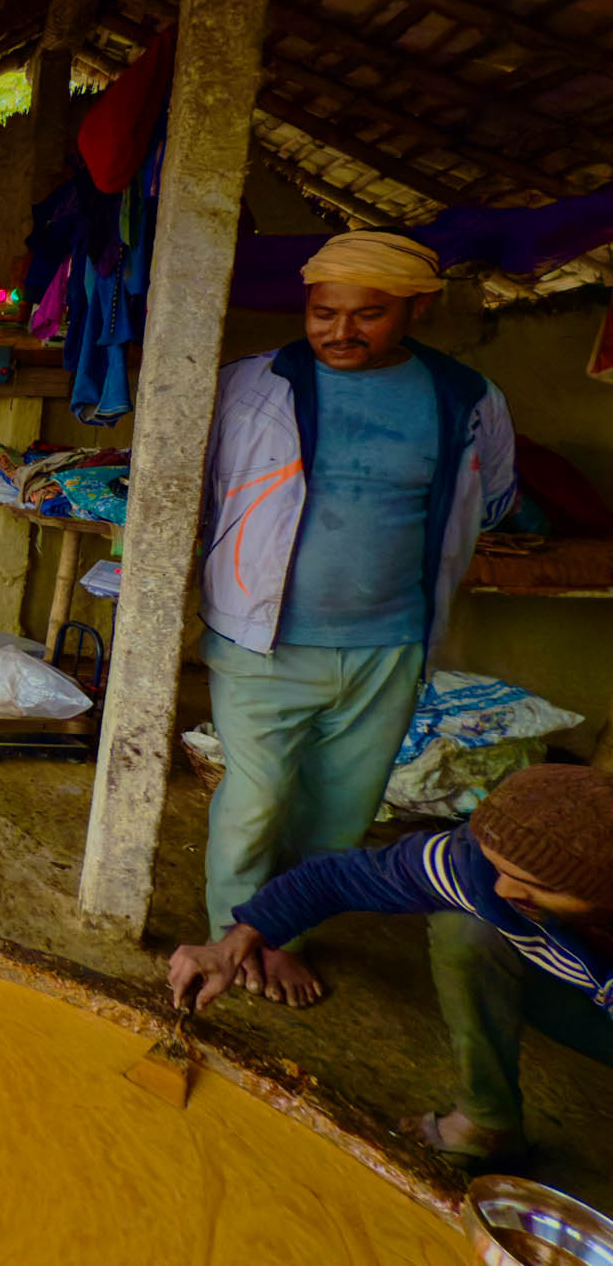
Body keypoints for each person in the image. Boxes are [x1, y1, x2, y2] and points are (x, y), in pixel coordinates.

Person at [197, 231, 516, 1005]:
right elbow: (193, 483)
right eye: (322, 312)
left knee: (339, 814)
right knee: (256, 799)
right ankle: (229, 939)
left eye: (369, 314)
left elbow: (495, 499)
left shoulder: (465, 396)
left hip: (390, 644)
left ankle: (283, 941)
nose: (340, 332)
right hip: (261, 638)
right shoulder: (251, 384)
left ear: (418, 308)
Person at [169, 763, 613, 1166]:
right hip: (571, 986)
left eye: (531, 886)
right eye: (498, 868)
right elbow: (337, 879)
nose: (501, 890)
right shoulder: (475, 866)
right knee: (467, 930)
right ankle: (487, 1123)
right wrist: (231, 947)